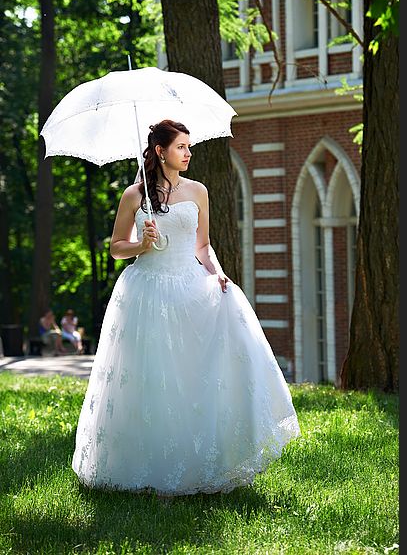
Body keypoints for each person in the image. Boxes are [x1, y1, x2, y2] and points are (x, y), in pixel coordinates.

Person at [72, 119, 300, 495]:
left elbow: (202, 246)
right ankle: (147, 468)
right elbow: (115, 248)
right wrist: (141, 246)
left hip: (189, 284)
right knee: (152, 379)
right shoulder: (134, 195)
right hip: (146, 291)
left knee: (193, 374)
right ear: (160, 152)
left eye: (189, 147)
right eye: (181, 147)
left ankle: (201, 462)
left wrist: (218, 272)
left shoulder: (198, 191)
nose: (188, 153)